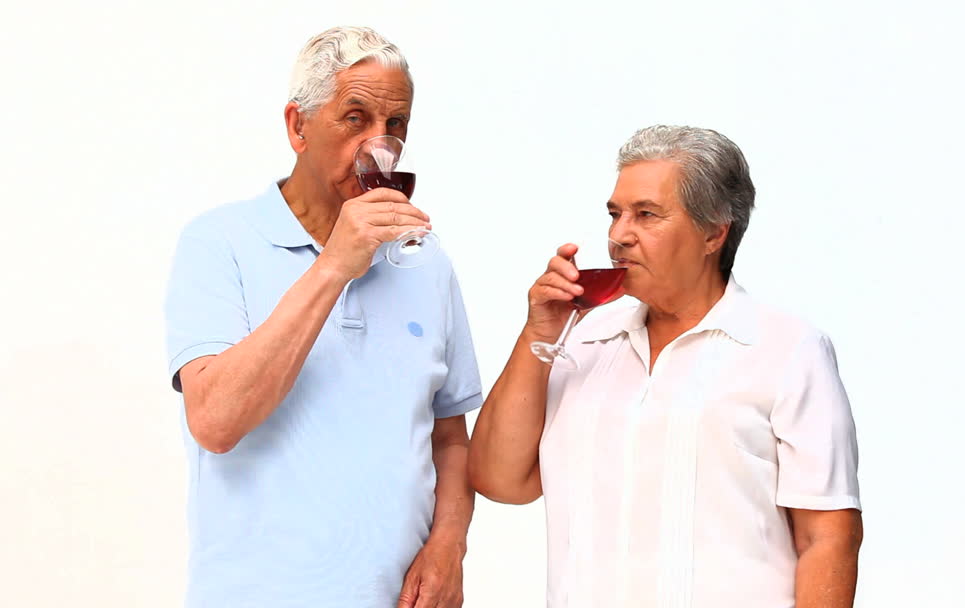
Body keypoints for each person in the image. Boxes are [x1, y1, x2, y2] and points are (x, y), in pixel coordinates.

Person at [469, 125, 863, 607]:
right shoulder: (584, 340)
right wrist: (538, 333)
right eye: (615, 214)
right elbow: (499, 480)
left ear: (714, 232)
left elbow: (827, 537)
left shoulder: (787, 349)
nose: (618, 235)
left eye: (646, 215)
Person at [164, 26, 480, 608]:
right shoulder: (218, 242)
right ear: (298, 126)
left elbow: (449, 436)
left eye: (396, 124)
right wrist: (334, 264)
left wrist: (449, 546)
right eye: (355, 118)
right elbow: (215, 421)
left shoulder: (427, 262)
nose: (379, 145)